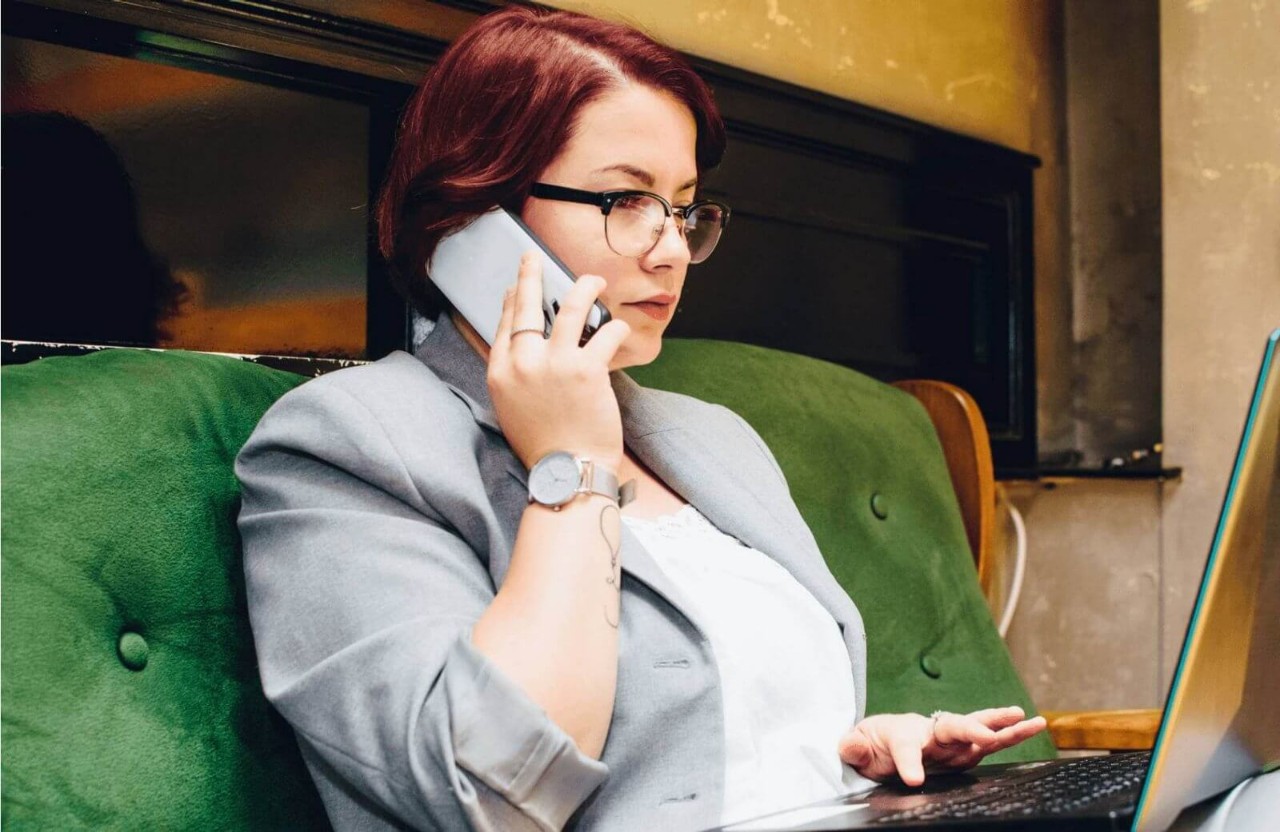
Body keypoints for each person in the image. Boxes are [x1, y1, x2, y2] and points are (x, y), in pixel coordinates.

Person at [235, 6, 1046, 831]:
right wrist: (572, 467)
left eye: (684, 207)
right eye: (627, 200)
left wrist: (857, 755)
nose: (668, 249)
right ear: (474, 214)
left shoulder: (712, 438)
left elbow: (703, 727)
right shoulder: (347, 444)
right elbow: (487, 798)